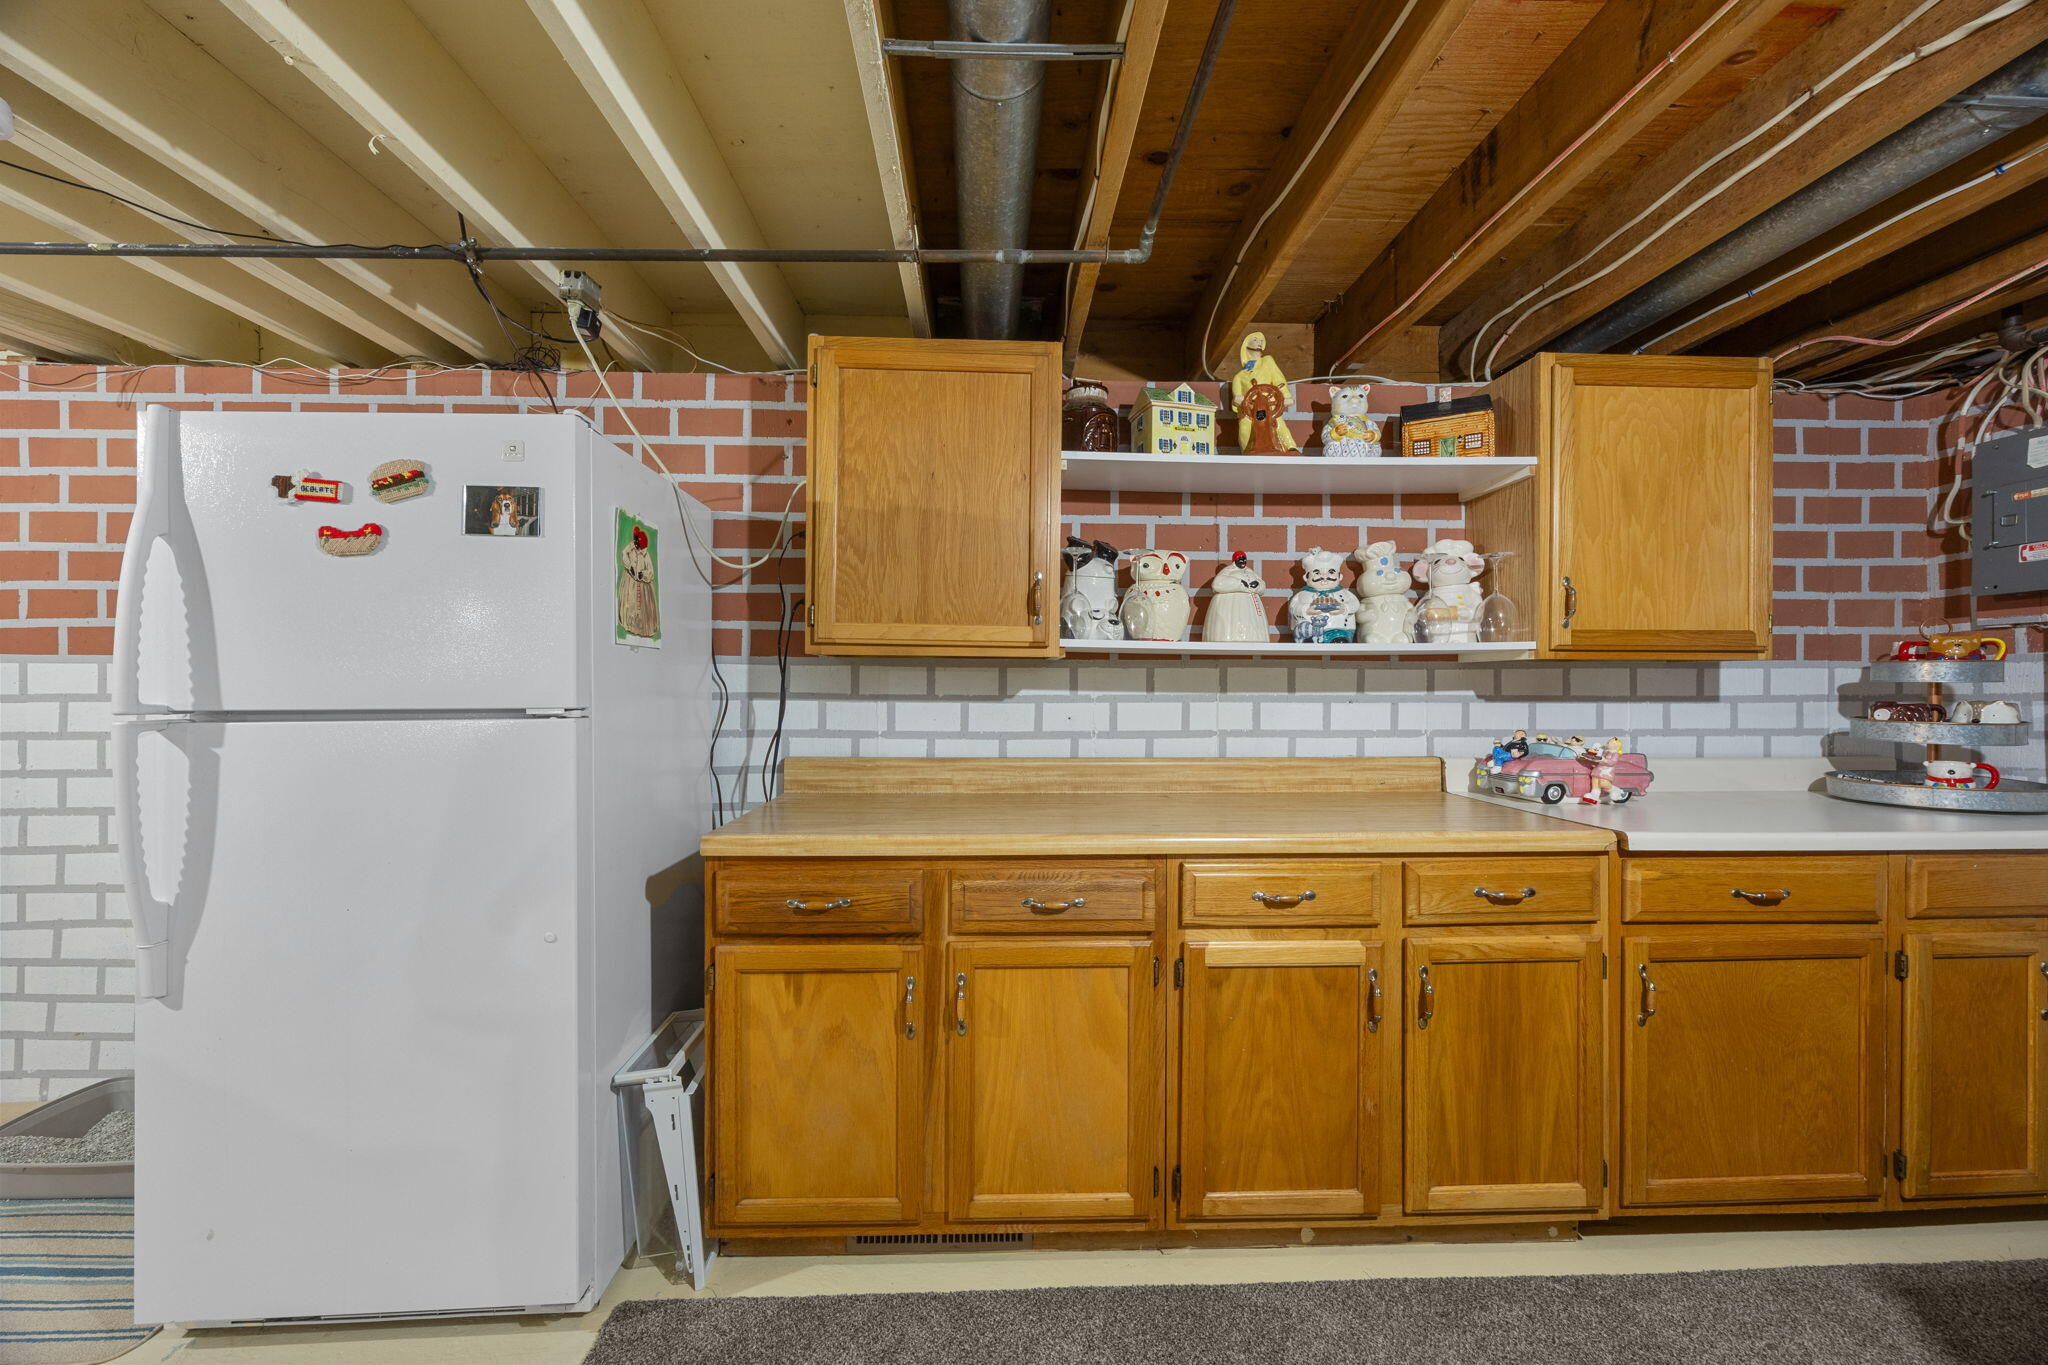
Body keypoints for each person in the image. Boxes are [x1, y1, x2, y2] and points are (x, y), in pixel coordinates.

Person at [1229, 331, 1299, 452]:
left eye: (1261, 341)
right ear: (1246, 344)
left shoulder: (1268, 361)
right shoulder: (1239, 377)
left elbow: (1278, 380)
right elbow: (1237, 400)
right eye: (1255, 339)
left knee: (1278, 423)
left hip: (1270, 407)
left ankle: (1291, 447)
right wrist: (1237, 400)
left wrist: (1286, 397)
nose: (1260, 342)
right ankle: (1247, 452)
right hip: (1250, 411)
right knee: (1244, 427)